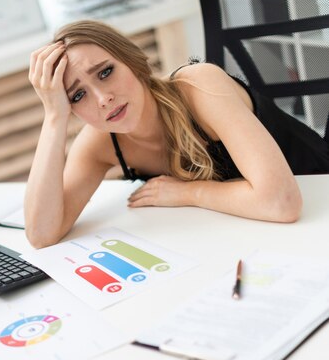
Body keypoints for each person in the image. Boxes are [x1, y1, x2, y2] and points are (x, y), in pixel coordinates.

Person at [24, 20, 329, 248]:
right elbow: (41, 234)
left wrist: (187, 192)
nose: (103, 98)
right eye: (77, 97)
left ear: (132, 61)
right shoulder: (99, 142)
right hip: (251, 239)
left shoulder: (199, 86)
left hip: (317, 209)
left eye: (105, 72)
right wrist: (53, 118)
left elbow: (281, 203)